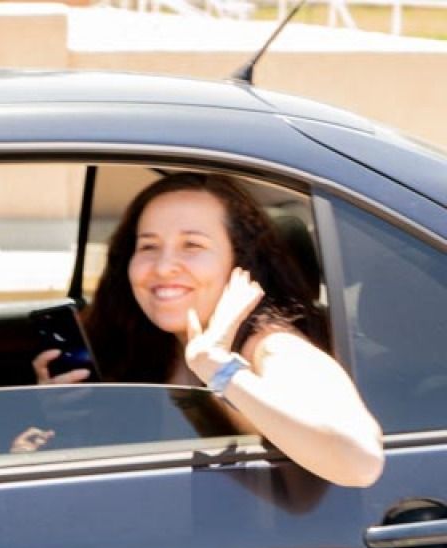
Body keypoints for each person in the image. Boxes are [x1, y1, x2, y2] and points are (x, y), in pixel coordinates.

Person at [33, 172, 384, 487]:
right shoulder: (148, 343)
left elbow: (360, 461)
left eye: (193, 245)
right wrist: (61, 426)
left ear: (240, 261)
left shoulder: (272, 348)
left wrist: (220, 369)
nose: (164, 266)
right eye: (149, 246)